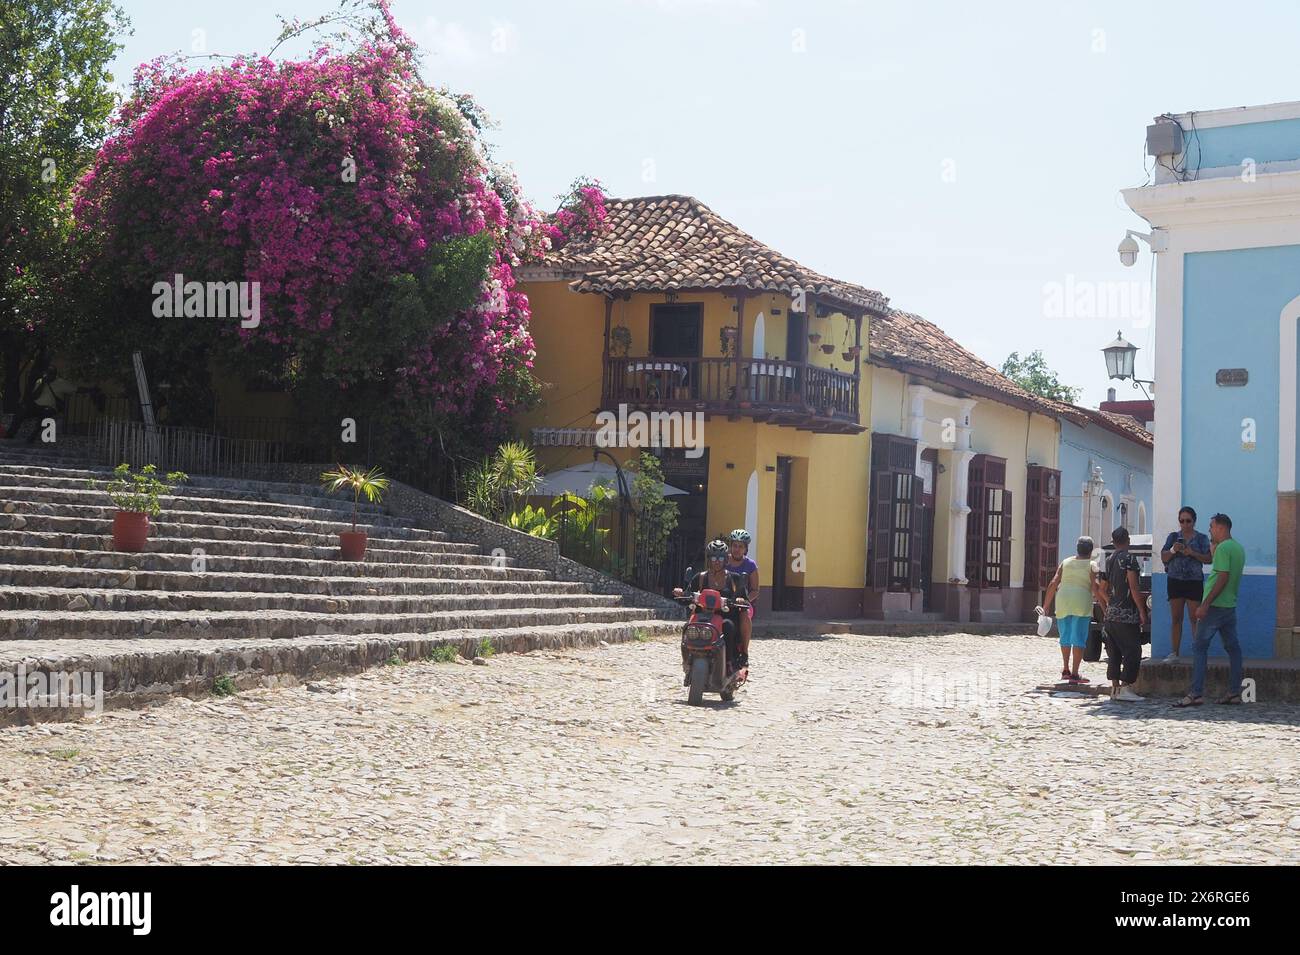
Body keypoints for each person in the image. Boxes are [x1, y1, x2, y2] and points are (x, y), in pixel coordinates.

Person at [1175, 513, 1246, 707]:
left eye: (1212, 527)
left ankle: (1196, 693)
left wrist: (1205, 604)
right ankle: (1234, 692)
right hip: (1229, 606)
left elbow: (1222, 576)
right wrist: (1214, 549)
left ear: (1221, 528)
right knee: (1233, 648)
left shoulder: (1224, 548)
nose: (1209, 530)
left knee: (1199, 647)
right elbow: (1223, 568)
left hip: (1215, 607)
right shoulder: (1237, 548)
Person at [672, 539, 749, 674]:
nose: (717, 561)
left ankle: (729, 662)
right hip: (702, 617)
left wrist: (740, 599)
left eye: (720, 557)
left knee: (729, 626)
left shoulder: (734, 579)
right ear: (709, 559)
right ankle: (687, 662)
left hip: (725, 617)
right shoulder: (700, 578)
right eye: (713, 557)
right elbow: (687, 594)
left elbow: (744, 600)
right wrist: (681, 593)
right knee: (687, 628)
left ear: (725, 559)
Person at [1095, 526, 1148, 701]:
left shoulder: (1108, 560)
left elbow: (1101, 589)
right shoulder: (1129, 559)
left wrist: (1111, 602)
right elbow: (1133, 587)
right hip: (1126, 614)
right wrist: (1141, 610)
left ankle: (1115, 688)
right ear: (1128, 540)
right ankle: (1126, 688)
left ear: (1113, 541)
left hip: (1111, 615)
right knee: (1133, 650)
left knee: (1114, 651)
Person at [1043, 536, 1097, 684]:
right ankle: (1074, 674)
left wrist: (1046, 605)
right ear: (1091, 551)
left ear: (1077, 549)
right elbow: (1095, 587)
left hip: (1063, 601)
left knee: (1065, 636)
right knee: (1078, 638)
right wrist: (1105, 605)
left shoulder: (1065, 562)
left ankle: (1065, 669)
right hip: (1081, 601)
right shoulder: (1092, 565)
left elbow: (1054, 582)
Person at [1160, 506, 1212, 662]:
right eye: (1182, 521)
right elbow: (1163, 557)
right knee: (1176, 618)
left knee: (1194, 618)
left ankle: (1198, 653)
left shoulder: (1202, 538)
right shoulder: (1173, 537)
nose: (1185, 524)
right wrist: (1173, 550)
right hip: (1175, 580)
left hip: (1193, 581)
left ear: (1194, 521)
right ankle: (1174, 653)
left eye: (1188, 521)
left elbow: (1209, 558)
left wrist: (1192, 553)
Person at [725, 528, 759, 668]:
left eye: (740, 546)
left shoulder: (750, 565)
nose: (737, 549)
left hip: (742, 602)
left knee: (744, 614)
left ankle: (744, 653)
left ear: (745, 549)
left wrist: (745, 600)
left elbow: (755, 590)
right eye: (734, 545)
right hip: (724, 600)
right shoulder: (722, 560)